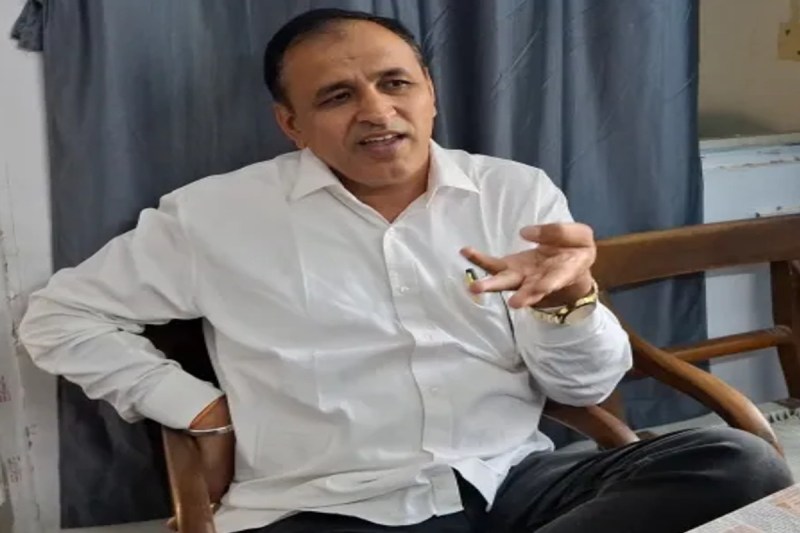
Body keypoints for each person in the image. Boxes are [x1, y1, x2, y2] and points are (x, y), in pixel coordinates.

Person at [19, 8, 792, 533]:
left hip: (509, 483)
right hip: (325, 503)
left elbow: (584, 386)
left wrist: (570, 301)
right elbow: (58, 317)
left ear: (430, 96)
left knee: (736, 460)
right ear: (291, 124)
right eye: (337, 95)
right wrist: (196, 407)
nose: (375, 110)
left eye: (395, 84)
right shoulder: (213, 216)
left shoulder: (513, 194)